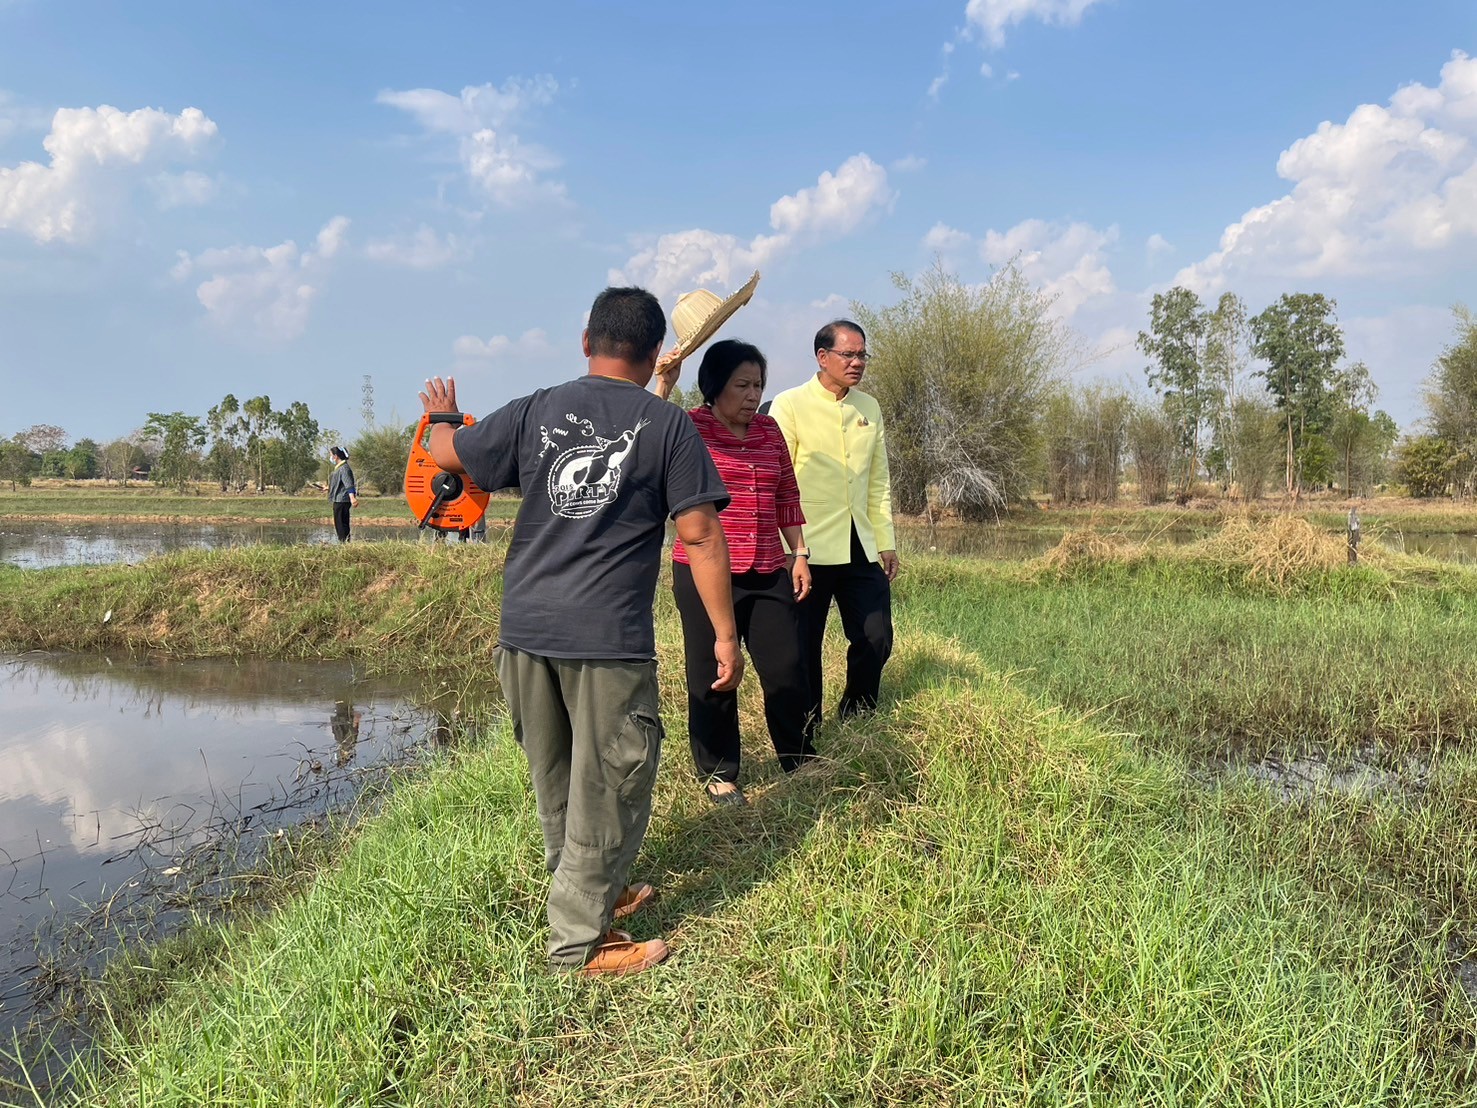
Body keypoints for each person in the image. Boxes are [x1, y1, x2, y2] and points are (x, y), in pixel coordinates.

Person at [418, 286, 742, 977]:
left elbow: (447, 453)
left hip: (524, 630)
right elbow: (700, 535)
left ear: (585, 340)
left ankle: (600, 892)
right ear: (656, 351)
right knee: (613, 786)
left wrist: (442, 414)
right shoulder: (667, 426)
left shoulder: (536, 408)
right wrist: (723, 634)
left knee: (559, 779)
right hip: (606, 640)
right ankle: (578, 947)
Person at [654, 339, 813, 806]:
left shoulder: (769, 432)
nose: (751, 394)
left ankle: (798, 756)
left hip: (766, 569)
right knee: (714, 674)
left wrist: (799, 553)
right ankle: (718, 772)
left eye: (758, 384)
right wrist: (664, 382)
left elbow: (788, 494)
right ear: (714, 386)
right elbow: (643, 425)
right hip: (704, 574)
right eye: (741, 384)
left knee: (786, 668)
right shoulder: (688, 429)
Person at [769, 319, 898, 739]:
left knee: (876, 635)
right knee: (804, 645)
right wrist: (791, 551)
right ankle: (806, 730)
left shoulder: (870, 407)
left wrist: (886, 541)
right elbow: (778, 482)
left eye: (862, 354)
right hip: (807, 547)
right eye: (849, 354)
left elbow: (877, 480)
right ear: (822, 357)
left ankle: (857, 714)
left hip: (860, 542)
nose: (857, 362)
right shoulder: (788, 406)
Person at [327, 446, 358, 543]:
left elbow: (348, 484)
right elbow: (339, 484)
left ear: (336, 456)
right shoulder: (339, 468)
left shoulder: (344, 468)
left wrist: (352, 498)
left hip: (341, 500)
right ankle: (345, 543)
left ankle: (343, 543)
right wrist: (328, 488)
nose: (331, 457)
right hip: (339, 499)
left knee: (341, 524)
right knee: (342, 523)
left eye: (331, 455)